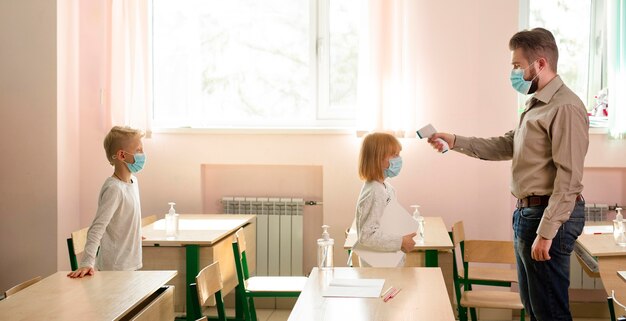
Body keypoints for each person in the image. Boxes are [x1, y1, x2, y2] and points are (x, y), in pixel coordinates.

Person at [428, 28, 588, 321]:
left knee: (549, 312)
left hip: (546, 216)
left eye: (517, 65)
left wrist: (546, 232)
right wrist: (454, 140)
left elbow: (569, 178)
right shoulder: (538, 104)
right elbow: (507, 144)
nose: (513, 72)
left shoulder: (564, 106)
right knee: (535, 308)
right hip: (529, 215)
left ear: (539, 63)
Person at [67, 126, 147, 278]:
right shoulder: (114, 189)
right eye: (139, 150)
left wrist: (132, 232)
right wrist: (87, 262)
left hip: (130, 263)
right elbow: (97, 228)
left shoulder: (133, 182)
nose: (143, 155)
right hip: (115, 268)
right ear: (122, 155)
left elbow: (124, 216)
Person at [353, 132, 416, 267]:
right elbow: (367, 236)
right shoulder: (375, 192)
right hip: (379, 266)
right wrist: (401, 242)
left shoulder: (385, 188)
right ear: (377, 159)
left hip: (388, 261)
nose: (399, 159)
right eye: (394, 155)